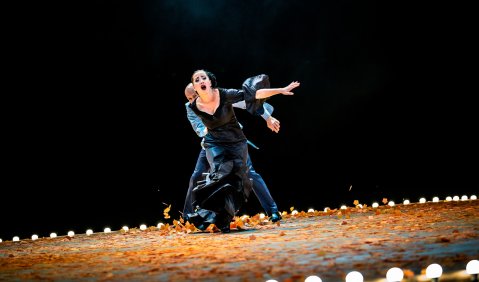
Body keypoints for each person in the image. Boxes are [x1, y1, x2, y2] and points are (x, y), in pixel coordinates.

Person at [184, 69, 299, 232]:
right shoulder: (191, 107)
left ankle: (272, 210)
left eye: (203, 79)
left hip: (234, 140)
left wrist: (268, 116)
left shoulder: (222, 95)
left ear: (209, 82)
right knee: (205, 176)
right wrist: (206, 133)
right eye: (190, 97)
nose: (192, 99)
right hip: (210, 144)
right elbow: (198, 127)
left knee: (247, 174)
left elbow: (249, 100)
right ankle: (192, 215)